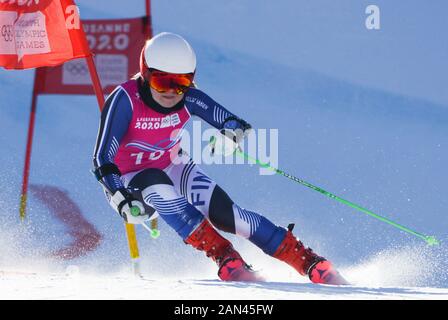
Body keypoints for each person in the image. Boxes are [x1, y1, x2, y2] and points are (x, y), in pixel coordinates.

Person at [92, 32, 348, 285]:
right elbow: (103, 157)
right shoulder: (125, 100)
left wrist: (231, 135)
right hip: (128, 186)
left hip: (173, 165)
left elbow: (234, 123)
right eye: (162, 82)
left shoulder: (190, 97)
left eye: (181, 82)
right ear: (145, 74)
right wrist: (119, 196)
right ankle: (225, 256)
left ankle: (308, 261)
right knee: (154, 180)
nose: (172, 92)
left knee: (227, 215)